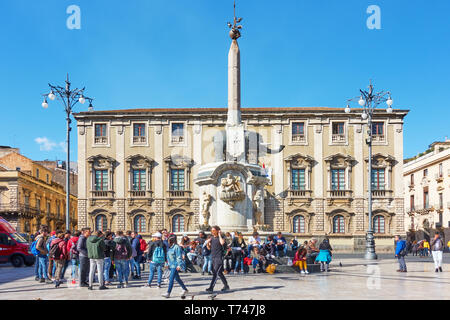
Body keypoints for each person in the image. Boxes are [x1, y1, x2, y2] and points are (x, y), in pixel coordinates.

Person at [205, 226, 230, 293]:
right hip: (213, 257)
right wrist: (208, 243)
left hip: (219, 258)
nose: (212, 232)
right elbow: (209, 248)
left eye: (214, 230)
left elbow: (222, 243)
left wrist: (219, 234)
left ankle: (211, 287)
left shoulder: (222, 237)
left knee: (215, 273)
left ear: (217, 230)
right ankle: (226, 286)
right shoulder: (212, 238)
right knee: (219, 273)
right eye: (211, 230)